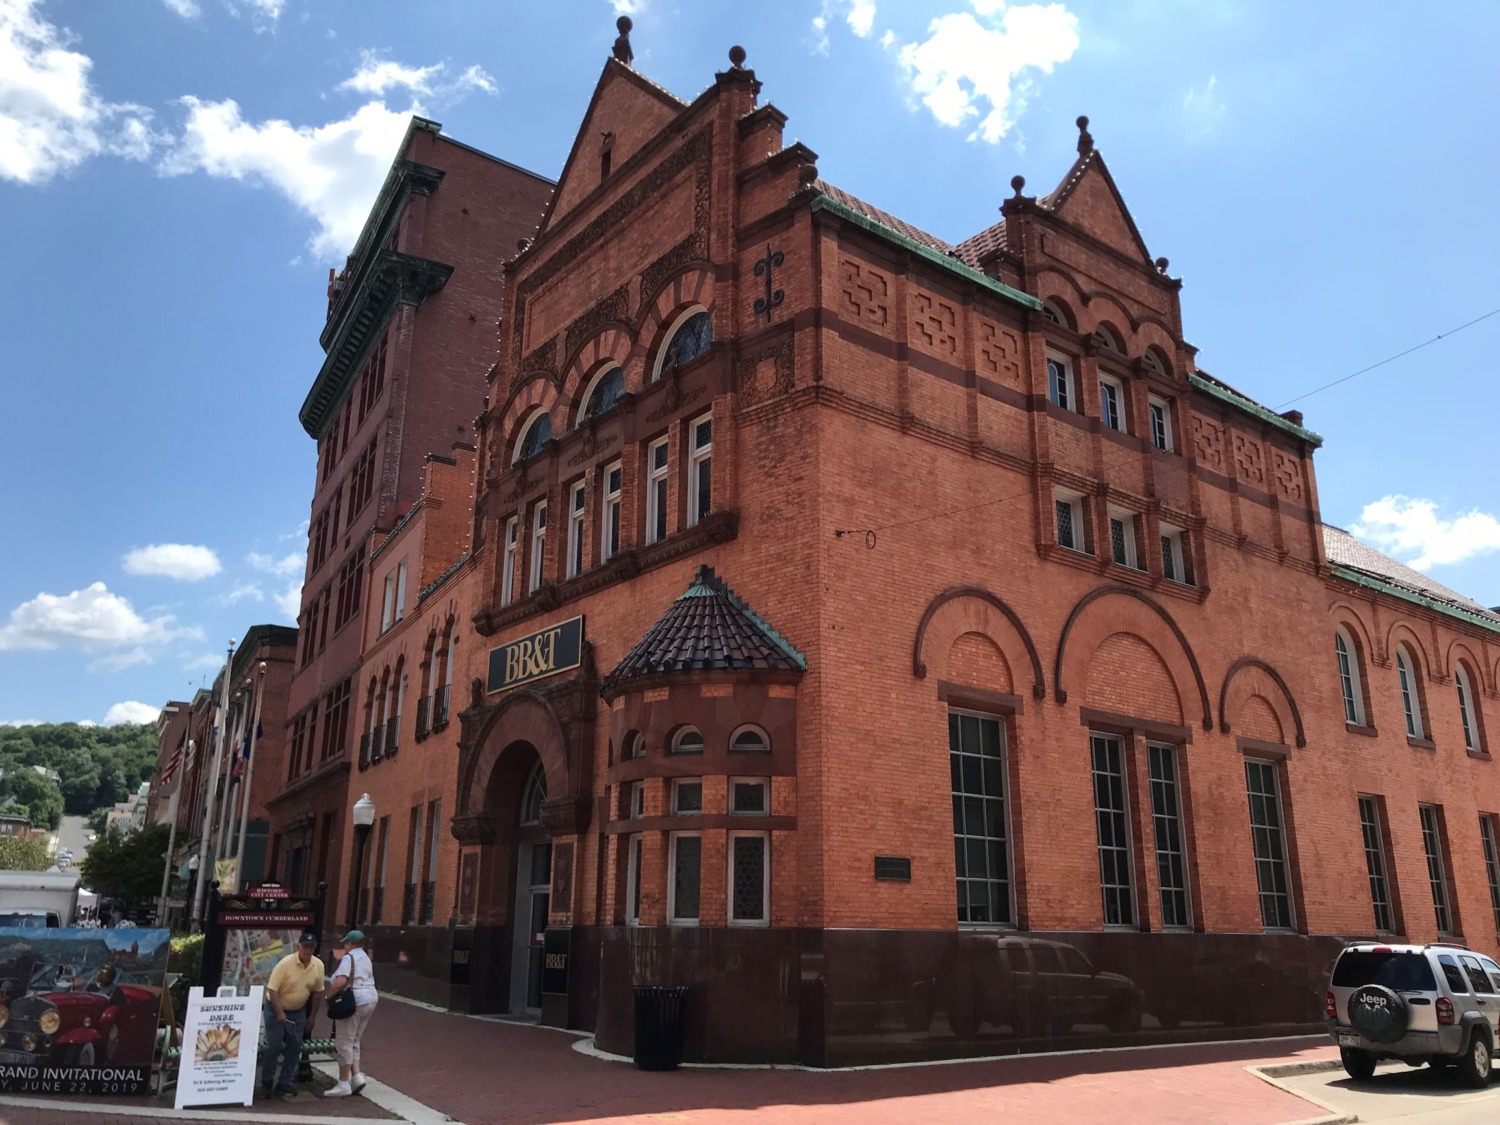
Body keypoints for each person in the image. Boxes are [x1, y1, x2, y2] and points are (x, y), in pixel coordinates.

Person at [261, 932, 324, 1099]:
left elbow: (318, 993)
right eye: (305, 947)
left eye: (311, 947)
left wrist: (312, 1017)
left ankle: (285, 1082)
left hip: (298, 1011)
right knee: (275, 1045)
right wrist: (280, 1012)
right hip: (275, 1008)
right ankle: (267, 1080)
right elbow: (272, 990)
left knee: (295, 1046)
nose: (308, 950)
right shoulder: (285, 964)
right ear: (299, 947)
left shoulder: (318, 965)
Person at [322, 930, 377, 1098]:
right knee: (355, 1039)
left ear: (350, 944)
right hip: (370, 999)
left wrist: (328, 995)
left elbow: (341, 981)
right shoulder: (366, 958)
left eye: (346, 943)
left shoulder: (349, 958)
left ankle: (343, 1083)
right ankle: (357, 1076)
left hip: (354, 1001)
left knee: (344, 1040)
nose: (344, 946)